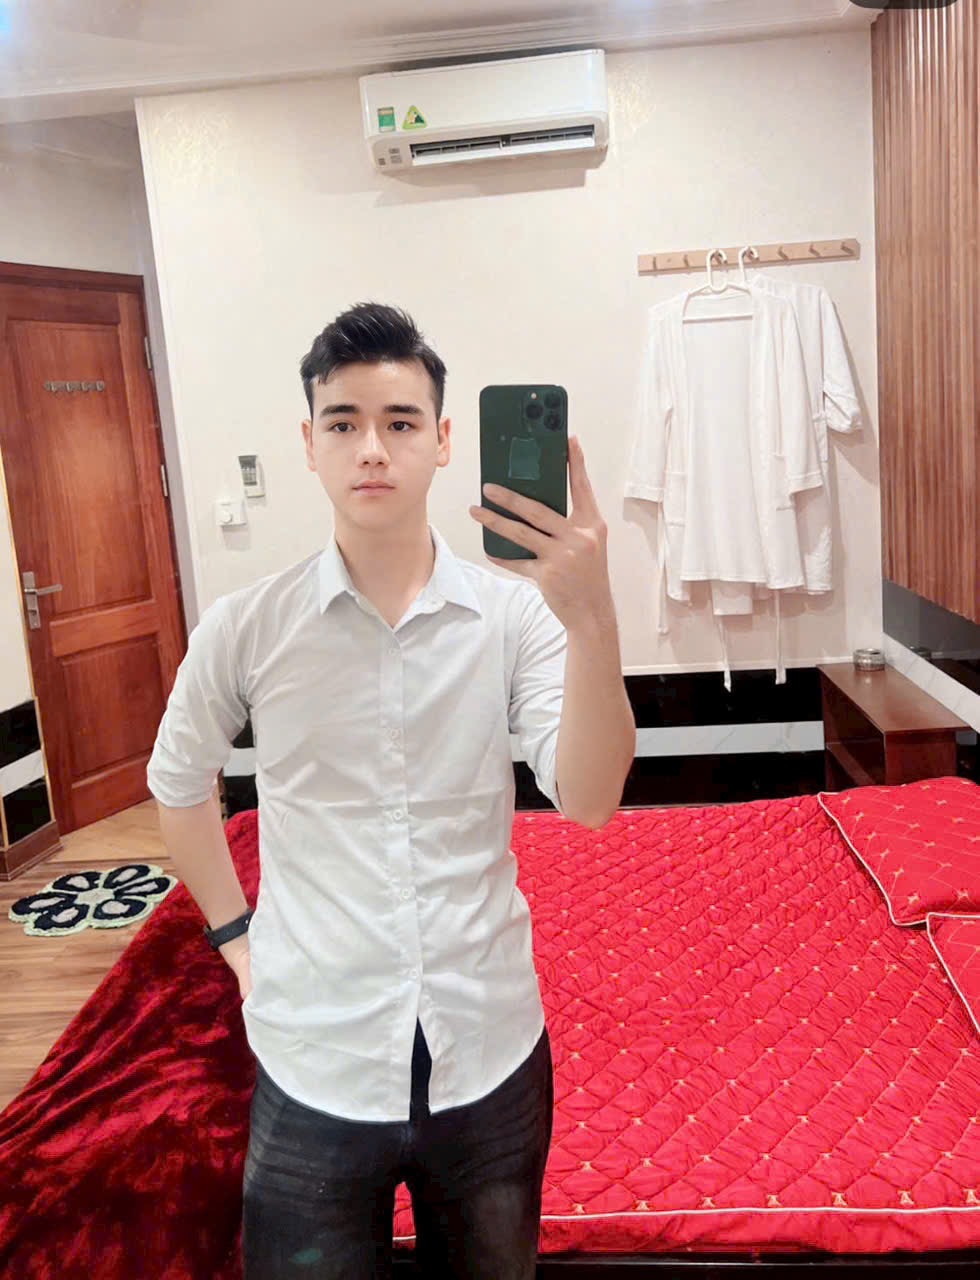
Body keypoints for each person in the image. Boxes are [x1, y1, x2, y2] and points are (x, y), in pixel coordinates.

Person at [146, 302, 635, 1278]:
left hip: (487, 1045)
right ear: (310, 443)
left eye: (400, 421)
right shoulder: (249, 626)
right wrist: (235, 939)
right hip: (313, 1055)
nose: (372, 447)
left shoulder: (513, 617)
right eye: (344, 422)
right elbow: (177, 782)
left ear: (444, 440)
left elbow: (588, 797)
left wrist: (590, 619)